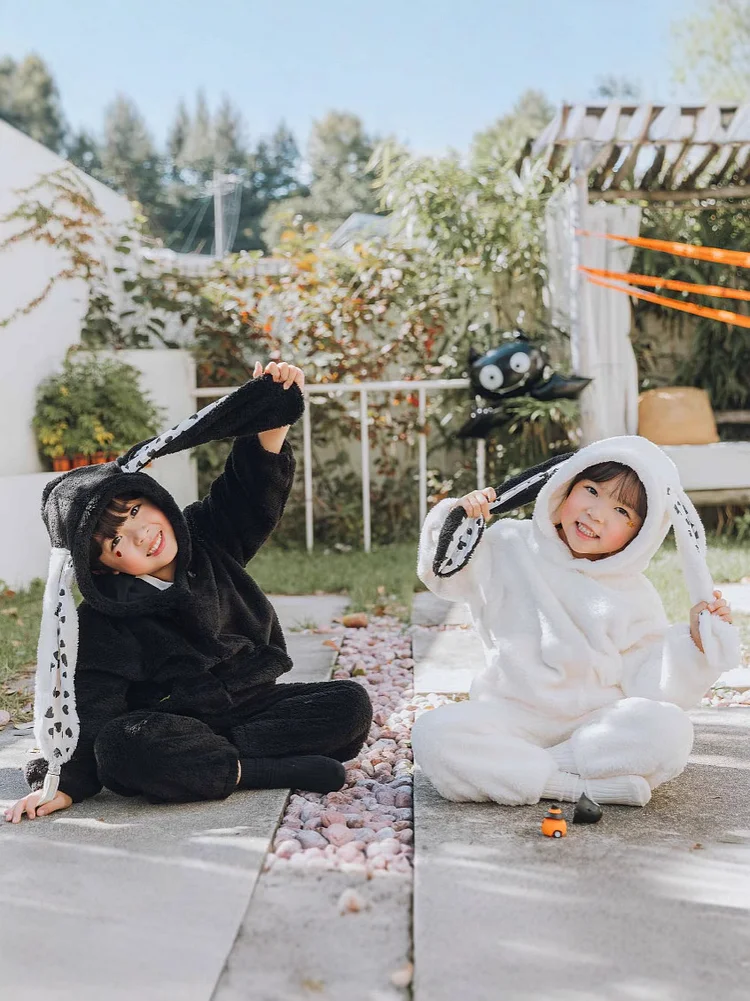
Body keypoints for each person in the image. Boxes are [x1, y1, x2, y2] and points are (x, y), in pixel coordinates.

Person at [5, 361, 372, 824]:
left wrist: (271, 417)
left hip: (251, 708)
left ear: (151, 496)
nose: (141, 535)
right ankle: (256, 771)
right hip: (175, 723)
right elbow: (91, 702)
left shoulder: (207, 536)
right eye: (117, 543)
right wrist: (64, 783)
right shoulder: (105, 620)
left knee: (349, 703)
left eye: (135, 511)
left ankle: (219, 761)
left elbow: (249, 495)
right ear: (103, 567)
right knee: (120, 746)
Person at [411, 435, 739, 807]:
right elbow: (444, 576)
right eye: (591, 490)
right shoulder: (508, 544)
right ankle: (576, 787)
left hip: (593, 725)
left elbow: (650, 682)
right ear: (565, 486)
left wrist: (696, 644)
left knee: (669, 730)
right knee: (433, 734)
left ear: (641, 534)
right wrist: (460, 521)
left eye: (622, 512)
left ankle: (525, 771)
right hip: (509, 715)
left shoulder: (634, 594)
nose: (597, 514)